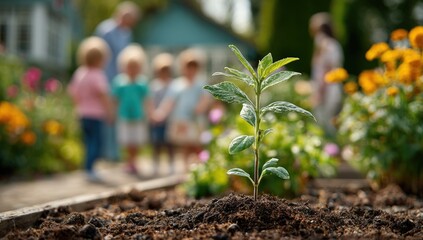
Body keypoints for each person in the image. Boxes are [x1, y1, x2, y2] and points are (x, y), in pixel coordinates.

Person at [94, 1, 140, 161]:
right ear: (122, 15)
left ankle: (115, 153)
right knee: (106, 115)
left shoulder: (126, 33)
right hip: (105, 80)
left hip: (121, 82)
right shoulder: (105, 30)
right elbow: (99, 55)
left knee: (117, 117)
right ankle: (106, 152)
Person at [153, 48, 210, 173]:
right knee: (184, 147)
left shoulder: (200, 84)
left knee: (196, 146)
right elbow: (169, 101)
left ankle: (199, 169)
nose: (190, 70)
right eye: (188, 67)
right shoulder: (177, 85)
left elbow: (206, 98)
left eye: (193, 67)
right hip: (181, 121)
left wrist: (200, 107)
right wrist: (160, 113)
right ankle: (186, 170)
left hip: (195, 121)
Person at [67, 37, 113, 182]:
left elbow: (73, 92)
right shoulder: (98, 75)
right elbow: (103, 95)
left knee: (87, 142)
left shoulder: (80, 73)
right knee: (96, 142)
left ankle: (88, 167)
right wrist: (110, 112)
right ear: (101, 59)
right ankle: (90, 169)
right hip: (96, 115)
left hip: (83, 113)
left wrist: (77, 107)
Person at [111, 44, 151, 175]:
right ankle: (129, 161)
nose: (132, 69)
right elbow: (115, 99)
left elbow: (147, 100)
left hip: (138, 116)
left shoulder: (142, 83)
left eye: (135, 66)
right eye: (130, 66)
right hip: (124, 116)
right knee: (126, 140)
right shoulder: (119, 82)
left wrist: (150, 113)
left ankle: (134, 161)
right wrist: (112, 113)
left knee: (136, 140)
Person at [309, 12, 343, 138]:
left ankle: (331, 151)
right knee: (329, 123)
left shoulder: (323, 43)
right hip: (333, 88)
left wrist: (320, 93)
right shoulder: (334, 44)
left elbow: (325, 71)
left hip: (326, 89)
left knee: (324, 125)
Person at [149, 53, 176, 175]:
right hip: (156, 120)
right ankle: (156, 164)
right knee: (156, 143)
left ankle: (171, 164)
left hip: (169, 120)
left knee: (169, 143)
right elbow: (150, 101)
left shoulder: (173, 86)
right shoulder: (154, 86)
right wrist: (153, 114)